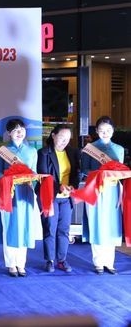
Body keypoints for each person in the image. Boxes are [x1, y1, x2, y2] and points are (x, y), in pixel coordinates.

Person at [80, 116, 125, 275]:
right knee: (97, 223)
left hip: (113, 190)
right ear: (97, 131)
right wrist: (100, 173)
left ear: (113, 131)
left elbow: (121, 170)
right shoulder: (89, 148)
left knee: (111, 224)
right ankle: (98, 262)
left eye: (108, 130)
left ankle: (109, 262)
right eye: (101, 130)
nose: (105, 133)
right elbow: (84, 170)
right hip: (95, 189)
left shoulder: (119, 149)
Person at [0, 118, 38, 277]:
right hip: (9, 192)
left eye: (22, 130)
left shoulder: (32, 151)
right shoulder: (2, 151)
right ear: (9, 133)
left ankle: (21, 264)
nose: (20, 133)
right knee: (10, 226)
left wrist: (32, 177)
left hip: (26, 193)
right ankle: (11, 264)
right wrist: (10, 177)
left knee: (24, 226)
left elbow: (34, 171)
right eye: (16, 130)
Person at [36, 124, 80, 273]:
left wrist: (73, 186)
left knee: (64, 229)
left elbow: (76, 173)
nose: (64, 141)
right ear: (53, 136)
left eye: (67, 139)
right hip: (50, 196)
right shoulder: (43, 153)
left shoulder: (73, 152)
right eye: (61, 137)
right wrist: (60, 186)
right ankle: (49, 260)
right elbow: (44, 175)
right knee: (50, 228)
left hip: (66, 197)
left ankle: (62, 260)